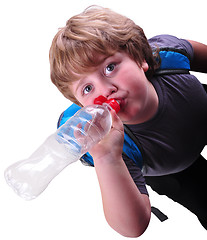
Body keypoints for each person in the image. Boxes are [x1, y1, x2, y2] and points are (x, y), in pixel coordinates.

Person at [49, 5, 207, 237]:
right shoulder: (111, 146)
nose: (105, 90)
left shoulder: (167, 55)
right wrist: (106, 158)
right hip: (172, 170)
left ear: (141, 59)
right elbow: (133, 227)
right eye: (88, 88)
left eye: (110, 67)